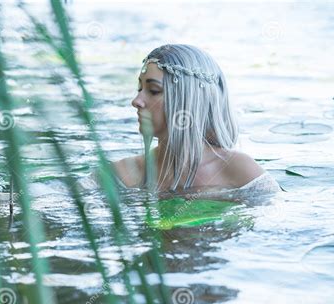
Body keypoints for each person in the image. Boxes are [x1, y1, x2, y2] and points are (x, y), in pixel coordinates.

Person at [110, 44, 280, 196]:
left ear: (189, 101)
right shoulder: (120, 174)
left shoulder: (240, 172)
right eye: (140, 88)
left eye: (153, 90)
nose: (136, 101)